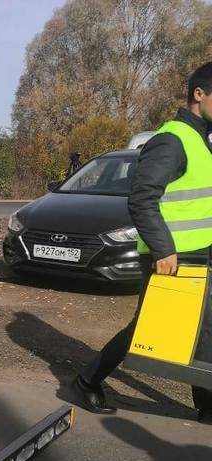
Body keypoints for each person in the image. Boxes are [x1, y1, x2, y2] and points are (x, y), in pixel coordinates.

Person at [73, 62, 212, 424]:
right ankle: (87, 379)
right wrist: (164, 249)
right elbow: (141, 198)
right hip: (174, 258)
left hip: (200, 255)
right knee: (146, 328)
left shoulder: (200, 139)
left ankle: (208, 406)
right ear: (199, 94)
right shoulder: (173, 139)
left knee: (204, 330)